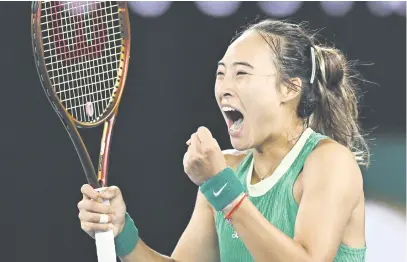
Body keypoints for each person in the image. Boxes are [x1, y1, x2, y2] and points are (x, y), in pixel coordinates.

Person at [77, 19, 369, 262]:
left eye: (241, 73)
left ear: (289, 89)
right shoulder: (226, 172)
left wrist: (222, 188)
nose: (224, 88)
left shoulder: (329, 162)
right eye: (221, 74)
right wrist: (121, 231)